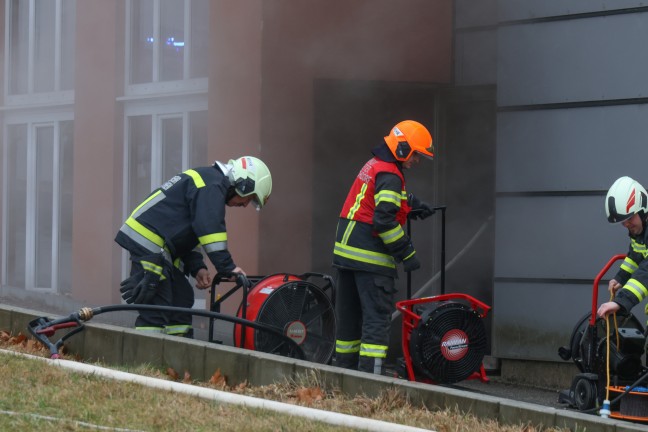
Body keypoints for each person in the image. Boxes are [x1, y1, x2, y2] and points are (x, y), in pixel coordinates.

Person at [115, 156, 272, 337]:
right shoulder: (211, 186)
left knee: (182, 299)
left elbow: (190, 234)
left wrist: (197, 267)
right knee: (157, 306)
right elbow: (210, 229)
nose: (245, 205)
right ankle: (148, 363)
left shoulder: (210, 183)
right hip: (150, 246)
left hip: (162, 249)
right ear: (243, 183)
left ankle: (178, 360)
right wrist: (228, 268)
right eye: (249, 198)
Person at [332, 119, 436, 374]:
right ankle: (370, 386)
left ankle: (344, 377)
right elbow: (384, 220)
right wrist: (407, 253)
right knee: (376, 322)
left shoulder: (375, 164)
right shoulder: (391, 173)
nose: (416, 161)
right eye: (416, 154)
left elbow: (374, 201)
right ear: (403, 148)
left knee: (348, 325)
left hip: (346, 258)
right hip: (371, 261)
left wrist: (411, 205)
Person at [597, 176, 648, 320]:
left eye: (630, 218)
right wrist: (621, 278)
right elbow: (635, 256)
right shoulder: (641, 232)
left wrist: (620, 301)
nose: (626, 225)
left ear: (643, 210)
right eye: (622, 222)